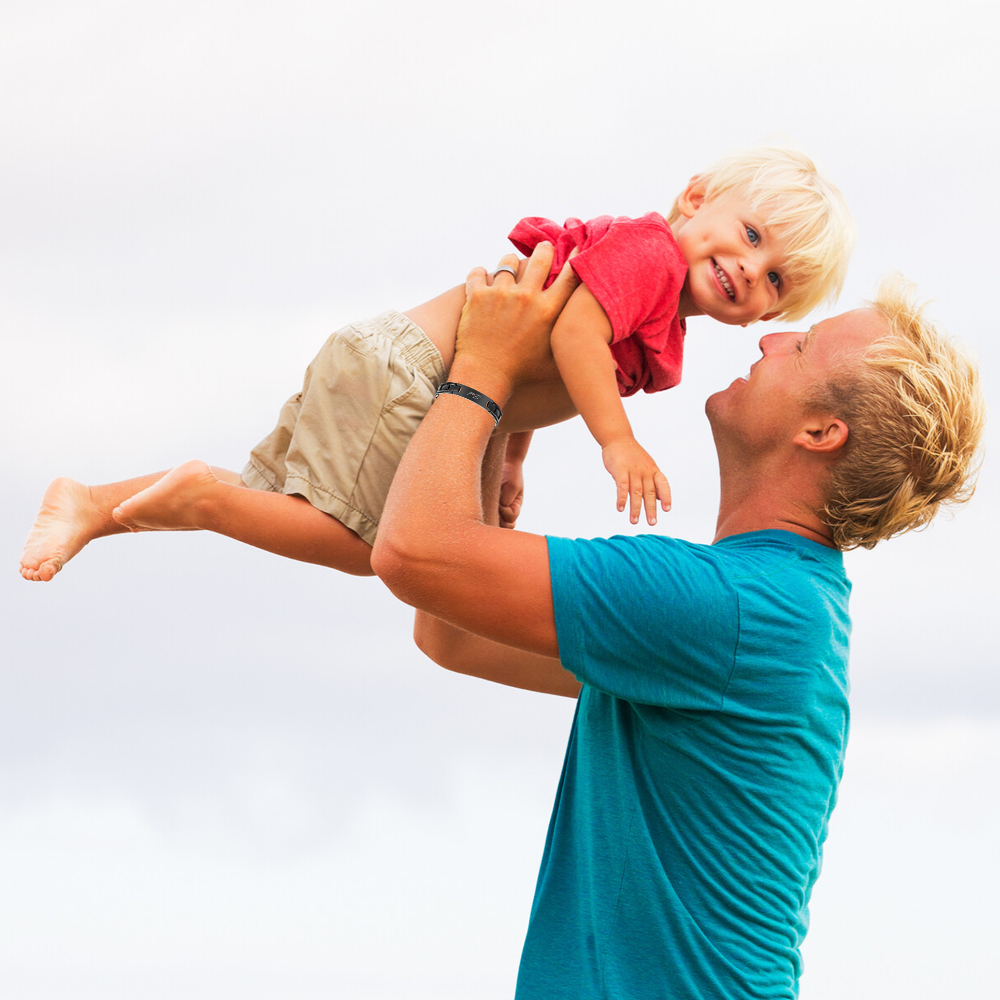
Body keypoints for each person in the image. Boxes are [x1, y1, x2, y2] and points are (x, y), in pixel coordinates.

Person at [371, 243, 985, 998]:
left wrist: (487, 364)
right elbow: (450, 629)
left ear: (822, 433)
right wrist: (510, 414)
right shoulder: (773, 608)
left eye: (806, 345)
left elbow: (412, 553)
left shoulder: (728, 609)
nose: (769, 336)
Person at [19, 146, 854, 583]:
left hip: (410, 372)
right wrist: (616, 441)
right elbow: (569, 338)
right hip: (413, 376)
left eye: (775, 278)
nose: (751, 268)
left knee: (276, 500)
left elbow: (549, 346)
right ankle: (194, 498)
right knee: (363, 546)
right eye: (750, 235)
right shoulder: (650, 258)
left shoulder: (661, 296)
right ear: (697, 198)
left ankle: (95, 503)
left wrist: (514, 455)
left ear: (771, 312)